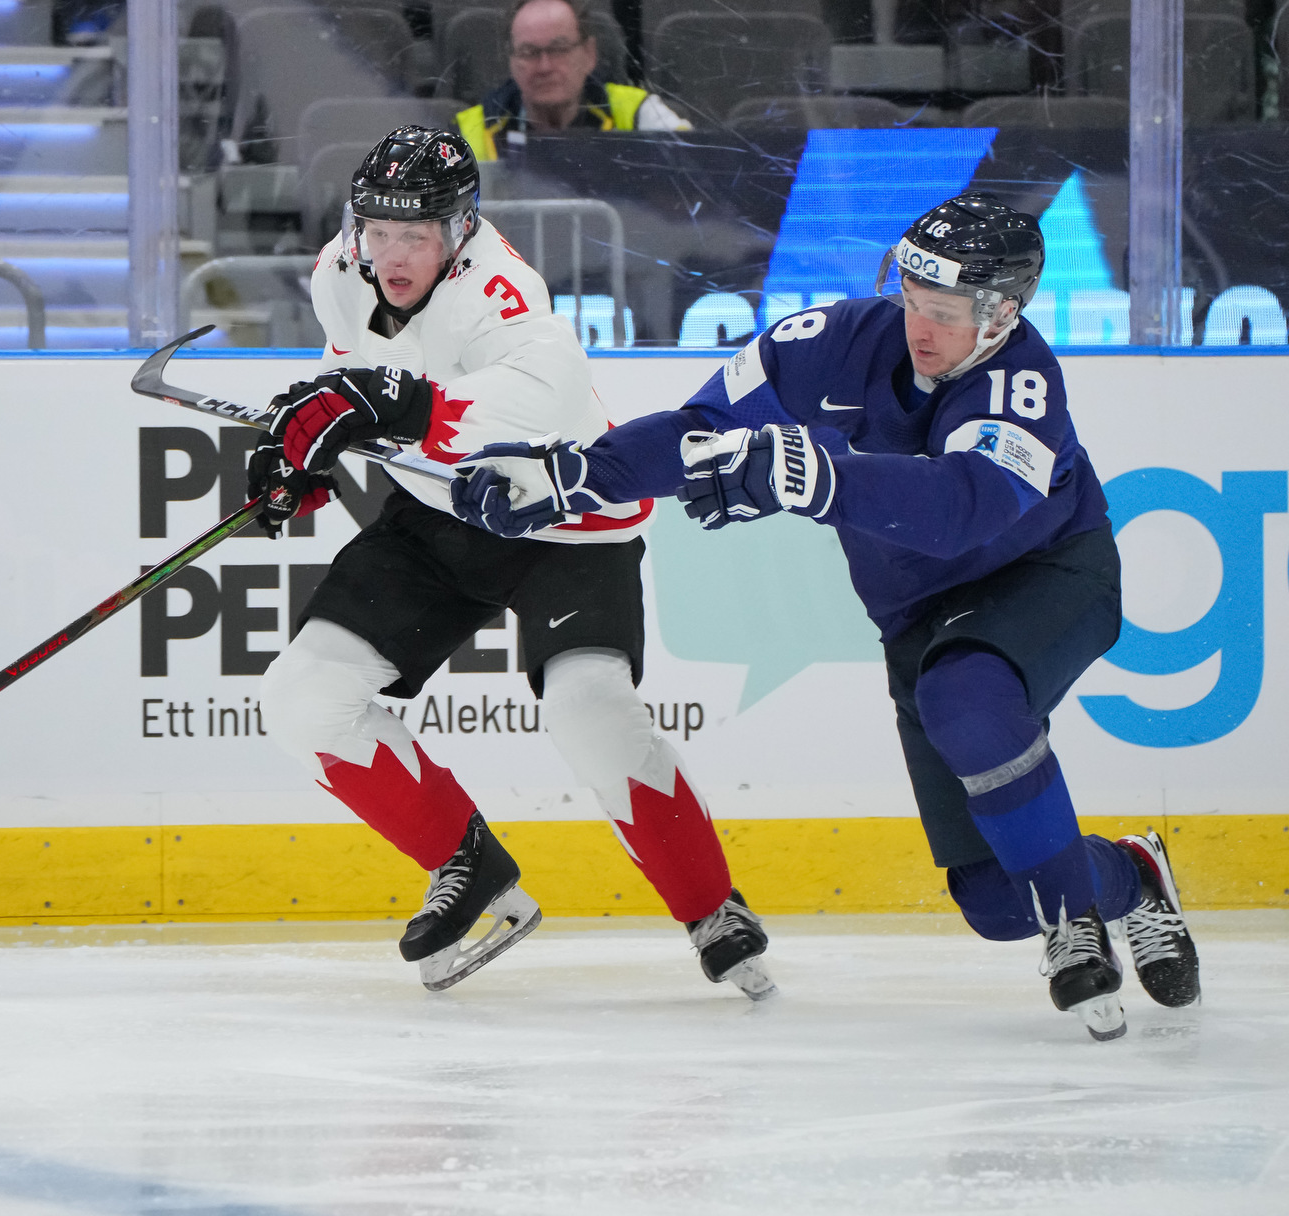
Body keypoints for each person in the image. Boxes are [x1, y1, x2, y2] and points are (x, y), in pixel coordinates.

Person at [450, 192, 1202, 1040]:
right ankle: (1129, 876)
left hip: (1048, 576)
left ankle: (1072, 922)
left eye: (946, 313)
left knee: (968, 694)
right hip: (918, 614)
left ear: (1002, 313)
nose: (920, 327)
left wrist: (820, 480)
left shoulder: (1023, 381)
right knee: (994, 903)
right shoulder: (832, 341)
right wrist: (571, 477)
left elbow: (968, 508)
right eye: (913, 300)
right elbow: (701, 429)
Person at [248, 123, 775, 998]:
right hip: (438, 516)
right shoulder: (339, 274)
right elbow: (356, 383)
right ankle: (472, 872)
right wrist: (303, 453)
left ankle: (713, 906)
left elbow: (541, 398)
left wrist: (387, 401)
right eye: (378, 230)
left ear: (459, 229)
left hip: (563, 513)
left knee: (587, 707)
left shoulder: (503, 289)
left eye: (416, 234)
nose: (392, 254)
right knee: (303, 697)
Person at [455, 0, 689, 162]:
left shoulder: (638, 112)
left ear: (589, 54)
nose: (545, 66)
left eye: (559, 49)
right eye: (529, 52)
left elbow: (698, 166)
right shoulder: (467, 133)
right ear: (512, 61)